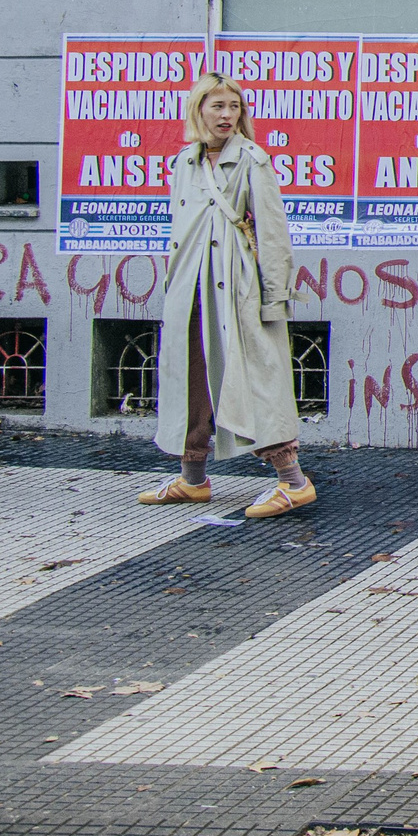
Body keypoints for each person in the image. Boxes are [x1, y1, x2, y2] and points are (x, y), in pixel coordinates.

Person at [135, 72, 316, 519]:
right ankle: (192, 479)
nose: (227, 115)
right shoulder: (185, 163)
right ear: (199, 110)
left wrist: (274, 298)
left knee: (258, 377)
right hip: (189, 289)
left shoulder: (252, 160)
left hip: (236, 291)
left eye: (233, 107)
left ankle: (293, 481)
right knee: (188, 377)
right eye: (217, 106)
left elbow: (274, 236)